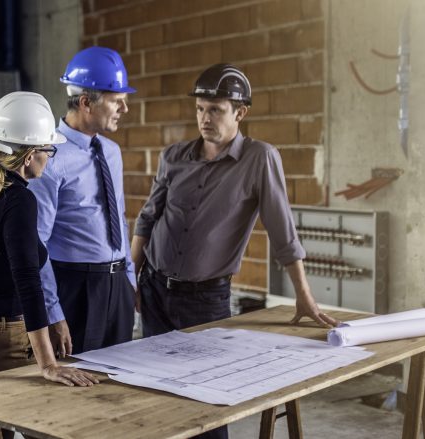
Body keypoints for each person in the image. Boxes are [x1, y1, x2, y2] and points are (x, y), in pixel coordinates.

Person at [130, 64, 339, 439]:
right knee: (158, 394)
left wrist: (304, 295)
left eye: (215, 110)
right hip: (155, 290)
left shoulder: (259, 159)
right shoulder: (173, 156)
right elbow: (148, 217)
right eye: (199, 109)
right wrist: (132, 278)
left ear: (240, 112)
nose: (204, 118)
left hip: (205, 299)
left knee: (207, 400)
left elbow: (283, 234)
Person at [0, 92, 100, 439]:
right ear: (28, 156)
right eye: (48, 150)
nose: (50, 158)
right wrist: (48, 364)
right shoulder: (20, 199)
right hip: (0, 339)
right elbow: (27, 281)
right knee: (34, 425)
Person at [26, 46, 138, 355]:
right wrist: (52, 311)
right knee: (79, 378)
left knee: (123, 375)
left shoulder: (112, 152)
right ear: (86, 102)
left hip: (118, 286)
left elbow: (119, 216)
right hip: (75, 289)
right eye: (116, 101)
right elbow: (36, 244)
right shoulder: (49, 157)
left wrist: (129, 280)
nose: (125, 108)